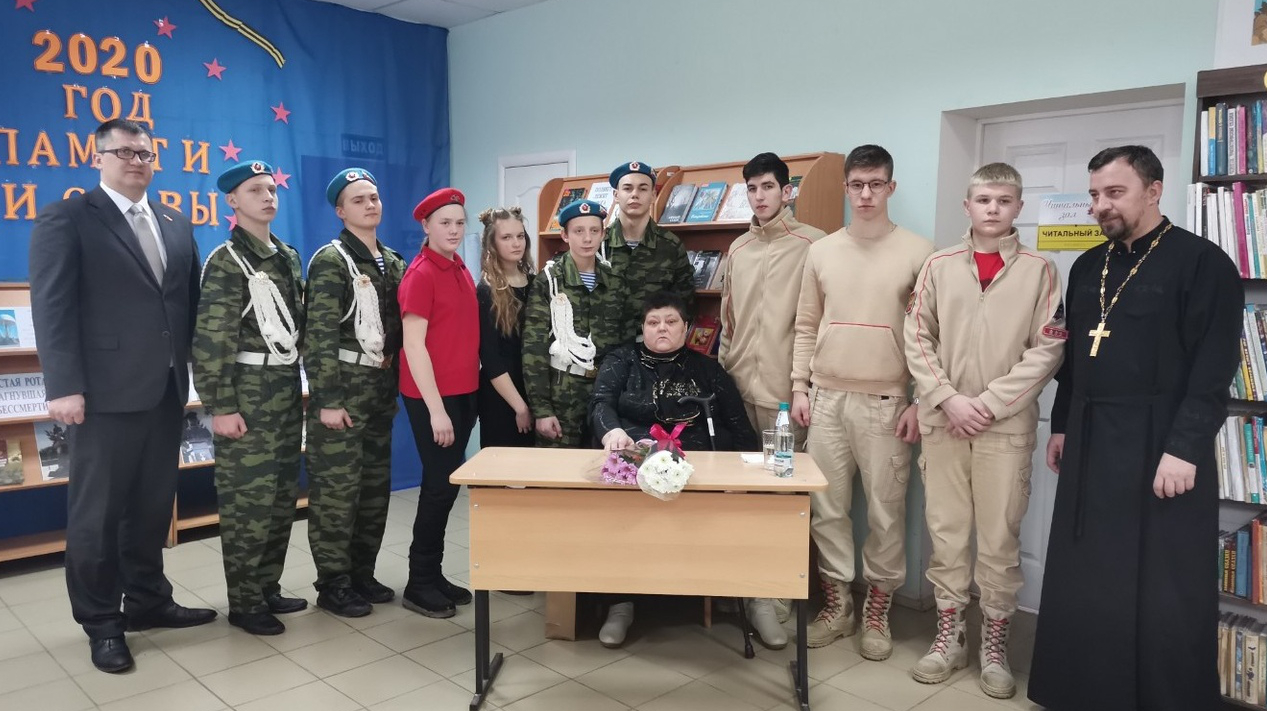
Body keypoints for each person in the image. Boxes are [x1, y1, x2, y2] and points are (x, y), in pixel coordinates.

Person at [1028, 146, 1243, 711]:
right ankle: (1082, 692)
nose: (1101, 205)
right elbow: (1074, 360)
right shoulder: (1086, 266)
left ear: (1154, 190)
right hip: (1090, 438)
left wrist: (1185, 448)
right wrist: (1062, 425)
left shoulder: (1203, 263)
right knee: (1089, 572)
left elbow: (1213, 369)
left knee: (1162, 584)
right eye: (1095, 194)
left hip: (1160, 445)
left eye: (1114, 192)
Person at [28, 118, 214, 673]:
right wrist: (64, 386)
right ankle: (102, 623)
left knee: (152, 507)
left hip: (165, 390)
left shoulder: (175, 222)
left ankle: (149, 601)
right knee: (98, 515)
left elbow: (188, 305)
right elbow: (52, 306)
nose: (137, 161)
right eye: (125, 152)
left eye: (145, 153)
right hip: (103, 394)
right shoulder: (68, 217)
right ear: (99, 157)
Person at [904, 162, 1065, 698]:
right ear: (967, 206)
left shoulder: (1040, 270)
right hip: (943, 423)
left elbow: (1047, 349)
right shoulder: (938, 265)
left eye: (1003, 200)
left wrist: (989, 405)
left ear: (1018, 207)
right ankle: (949, 637)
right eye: (983, 199)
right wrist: (948, 399)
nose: (993, 209)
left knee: (999, 539)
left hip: (1003, 430)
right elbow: (916, 336)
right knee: (947, 533)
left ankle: (994, 643)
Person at [791, 144, 933, 660]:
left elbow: (928, 335)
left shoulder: (920, 252)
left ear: (891, 187)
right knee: (826, 508)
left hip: (887, 402)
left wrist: (920, 400)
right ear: (846, 188)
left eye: (876, 184)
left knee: (886, 514)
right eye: (857, 185)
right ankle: (838, 606)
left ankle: (877, 610)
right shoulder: (822, 251)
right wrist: (800, 387)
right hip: (826, 398)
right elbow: (806, 324)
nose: (866, 194)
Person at [590, 292, 759, 647]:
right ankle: (620, 603)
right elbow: (601, 404)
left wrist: (746, 479)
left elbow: (739, 426)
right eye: (653, 323)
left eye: (670, 322)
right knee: (616, 523)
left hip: (698, 474)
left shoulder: (708, 369)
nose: (662, 329)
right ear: (643, 328)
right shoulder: (622, 360)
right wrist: (612, 431)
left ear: (686, 327)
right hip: (634, 467)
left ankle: (755, 599)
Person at [193, 159, 307, 636]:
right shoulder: (227, 260)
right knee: (247, 503)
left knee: (280, 498)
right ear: (233, 201)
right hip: (247, 394)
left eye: (271, 189)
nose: (267, 197)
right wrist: (220, 407)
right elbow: (210, 340)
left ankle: (266, 586)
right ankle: (244, 602)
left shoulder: (287, 256)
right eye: (255, 190)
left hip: (284, 390)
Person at [719, 151, 827, 638]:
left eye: (768, 187)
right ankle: (744, 586)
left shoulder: (814, 244)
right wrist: (724, 377)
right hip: (739, 391)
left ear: (787, 191)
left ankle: (779, 590)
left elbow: (818, 322)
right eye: (752, 188)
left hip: (786, 398)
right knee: (741, 493)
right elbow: (728, 323)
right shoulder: (738, 248)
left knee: (783, 493)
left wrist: (804, 384)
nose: (759, 196)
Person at [303, 168, 406, 618]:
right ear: (341, 211)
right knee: (336, 493)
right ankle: (334, 584)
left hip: (380, 390)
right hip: (343, 392)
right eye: (359, 200)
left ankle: (363, 573)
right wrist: (327, 400)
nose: (370, 205)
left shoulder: (394, 261)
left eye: (374, 197)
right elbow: (319, 335)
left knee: (373, 490)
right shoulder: (332, 260)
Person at [398, 187, 479, 618]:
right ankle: (419, 583)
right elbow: (414, 346)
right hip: (434, 398)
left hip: (464, 393)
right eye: (445, 223)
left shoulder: (459, 266)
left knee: (447, 488)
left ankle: (434, 574)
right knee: (437, 487)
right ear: (426, 226)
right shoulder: (421, 273)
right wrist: (436, 411)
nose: (454, 230)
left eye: (459, 223)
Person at [523, 199, 629, 447]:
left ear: (603, 234)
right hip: (563, 393)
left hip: (606, 393)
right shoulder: (550, 280)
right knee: (558, 466)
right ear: (565, 235)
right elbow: (534, 349)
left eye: (594, 230)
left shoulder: (615, 280)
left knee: (606, 462)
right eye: (578, 231)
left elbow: (625, 342)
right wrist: (542, 409)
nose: (587, 238)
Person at [601, 160, 696, 336]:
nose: (634, 195)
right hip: (606, 345)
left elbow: (683, 304)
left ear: (653, 196)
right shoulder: (598, 244)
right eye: (627, 188)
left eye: (643, 189)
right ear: (616, 195)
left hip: (654, 344)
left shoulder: (671, 246)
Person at [475, 206, 535, 448]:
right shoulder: (487, 290)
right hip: (502, 397)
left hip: (532, 389)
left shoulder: (536, 283)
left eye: (520, 236)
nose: (516, 243)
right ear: (492, 243)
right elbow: (490, 358)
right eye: (506, 237)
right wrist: (519, 407)